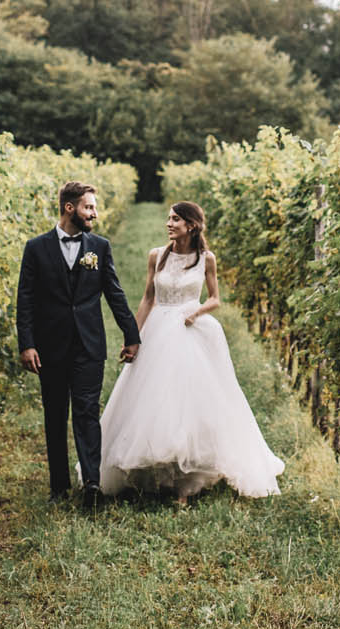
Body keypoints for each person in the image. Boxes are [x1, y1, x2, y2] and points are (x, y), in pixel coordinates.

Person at [98, 202, 284, 505]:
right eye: (169, 218)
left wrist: (196, 313)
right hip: (159, 328)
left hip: (189, 328)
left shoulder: (205, 259)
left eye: (175, 219)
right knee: (154, 395)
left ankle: (186, 478)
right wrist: (133, 336)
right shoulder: (157, 256)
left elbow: (215, 298)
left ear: (191, 225)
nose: (169, 223)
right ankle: (156, 466)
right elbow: (147, 298)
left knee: (190, 397)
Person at [16, 181, 140, 511]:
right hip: (50, 346)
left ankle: (92, 484)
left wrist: (132, 335)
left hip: (89, 345)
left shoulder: (98, 247)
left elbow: (114, 293)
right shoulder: (36, 248)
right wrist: (27, 344)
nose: (94, 214)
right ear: (70, 208)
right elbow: (25, 299)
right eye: (89, 207)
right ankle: (59, 485)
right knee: (55, 415)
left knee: (86, 413)